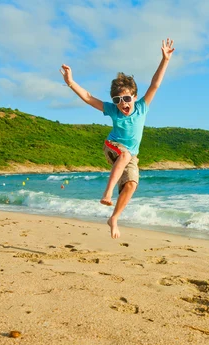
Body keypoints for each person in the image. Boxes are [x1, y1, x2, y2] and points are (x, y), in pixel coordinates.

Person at [60, 38, 175, 239]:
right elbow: (88, 97)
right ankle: (107, 193)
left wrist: (164, 59)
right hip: (112, 146)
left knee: (131, 185)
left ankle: (114, 218)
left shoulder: (141, 108)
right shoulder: (113, 111)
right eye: (118, 100)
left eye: (127, 98)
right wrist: (70, 82)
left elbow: (155, 84)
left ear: (134, 97)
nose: (123, 103)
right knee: (124, 155)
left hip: (131, 156)